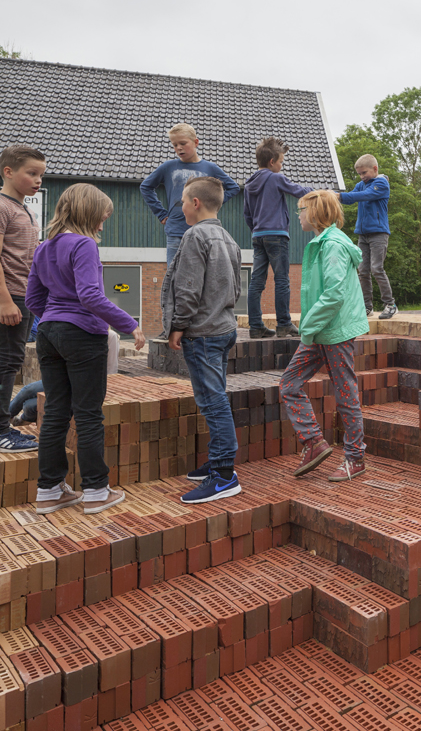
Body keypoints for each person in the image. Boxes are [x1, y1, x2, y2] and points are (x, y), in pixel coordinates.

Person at [26, 183, 146, 514]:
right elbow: (90, 296)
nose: (103, 225)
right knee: (88, 413)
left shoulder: (43, 247)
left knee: (55, 413)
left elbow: (33, 299)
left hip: (48, 333)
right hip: (82, 334)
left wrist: (55, 319)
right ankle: (96, 491)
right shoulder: (84, 245)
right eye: (102, 218)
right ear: (89, 213)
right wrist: (130, 325)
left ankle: (49, 491)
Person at [161, 177, 242, 504]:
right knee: (216, 394)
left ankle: (224, 474)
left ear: (195, 203)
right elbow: (236, 289)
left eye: (182, 201)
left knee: (212, 400)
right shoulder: (228, 237)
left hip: (203, 332)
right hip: (223, 328)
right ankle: (218, 459)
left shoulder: (194, 236)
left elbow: (188, 287)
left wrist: (178, 325)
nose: (180, 207)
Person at [279, 190, 369, 481]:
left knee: (345, 394)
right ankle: (314, 443)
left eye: (301, 210)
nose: (298, 216)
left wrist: (306, 328)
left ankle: (355, 458)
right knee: (290, 383)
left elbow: (333, 295)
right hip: (321, 330)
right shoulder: (321, 243)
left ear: (316, 213)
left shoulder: (332, 246)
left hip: (335, 330)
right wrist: (312, 329)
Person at [242, 137, 316, 339]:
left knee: (256, 281)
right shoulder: (275, 178)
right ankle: (284, 324)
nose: (282, 166)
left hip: (258, 236)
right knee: (282, 279)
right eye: (281, 162)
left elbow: (247, 215)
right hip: (277, 235)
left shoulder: (249, 184)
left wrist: (257, 229)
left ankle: (256, 327)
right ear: (272, 161)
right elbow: (298, 191)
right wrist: (318, 191)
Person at [139, 123, 241, 266]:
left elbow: (233, 188)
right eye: (174, 145)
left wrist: (210, 206)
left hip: (203, 231)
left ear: (196, 142)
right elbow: (146, 187)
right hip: (176, 231)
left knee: (201, 272)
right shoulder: (168, 167)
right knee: (174, 274)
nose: (178, 148)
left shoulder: (210, 168)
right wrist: (161, 213)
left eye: (182, 143)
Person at [0, 144, 45, 452]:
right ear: (8, 171)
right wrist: (4, 301)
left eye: (41, 174)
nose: (38, 180)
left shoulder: (25, 209)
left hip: (24, 296)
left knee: (12, 361)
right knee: (5, 363)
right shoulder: (3, 207)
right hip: (10, 296)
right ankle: (2, 431)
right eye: (31, 173)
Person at [339, 154, 396, 320]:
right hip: (363, 235)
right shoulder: (360, 184)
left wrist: (339, 196)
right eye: (360, 174)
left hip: (378, 233)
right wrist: (332, 195)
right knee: (362, 271)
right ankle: (366, 307)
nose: (362, 177)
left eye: (364, 173)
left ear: (375, 169)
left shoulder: (381, 183)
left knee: (376, 268)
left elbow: (364, 196)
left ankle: (390, 304)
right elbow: (350, 198)